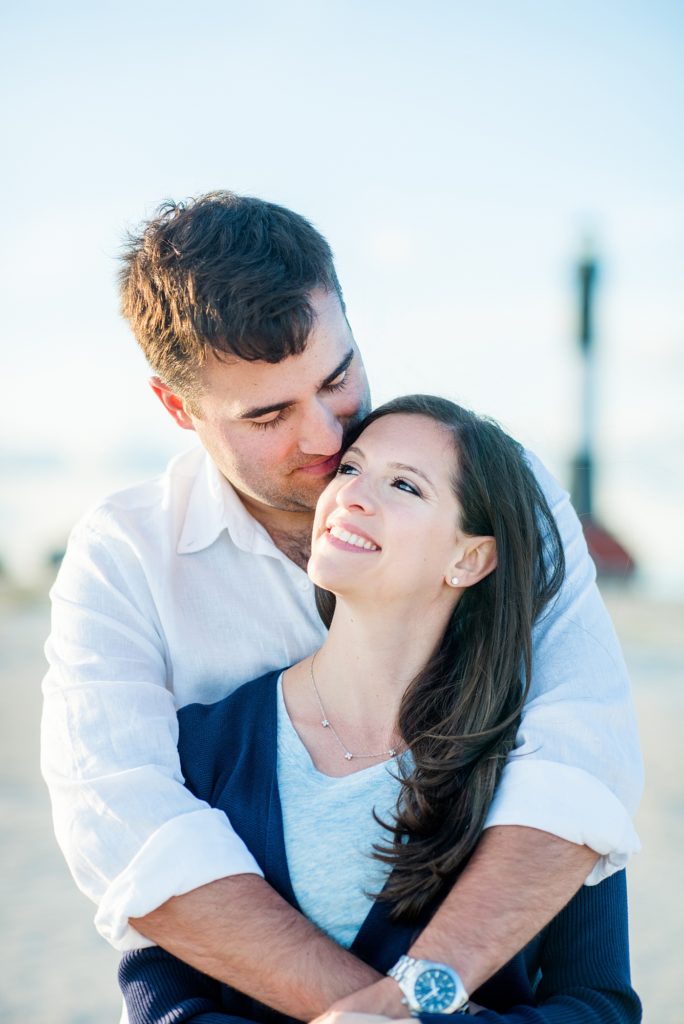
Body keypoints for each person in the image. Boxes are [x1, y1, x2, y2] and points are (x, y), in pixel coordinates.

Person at [41, 192, 642, 1020]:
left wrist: (403, 1006)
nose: (328, 440)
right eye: (269, 415)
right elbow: (133, 842)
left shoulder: (503, 498)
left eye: (337, 378)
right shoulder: (128, 562)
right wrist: (394, 1014)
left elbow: (582, 766)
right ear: (178, 408)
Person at [118, 395, 641, 1023]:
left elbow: (597, 1004)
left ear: (469, 558)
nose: (352, 496)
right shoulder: (206, 745)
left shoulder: (537, 764)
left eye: (404, 485)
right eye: (349, 469)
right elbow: (161, 997)